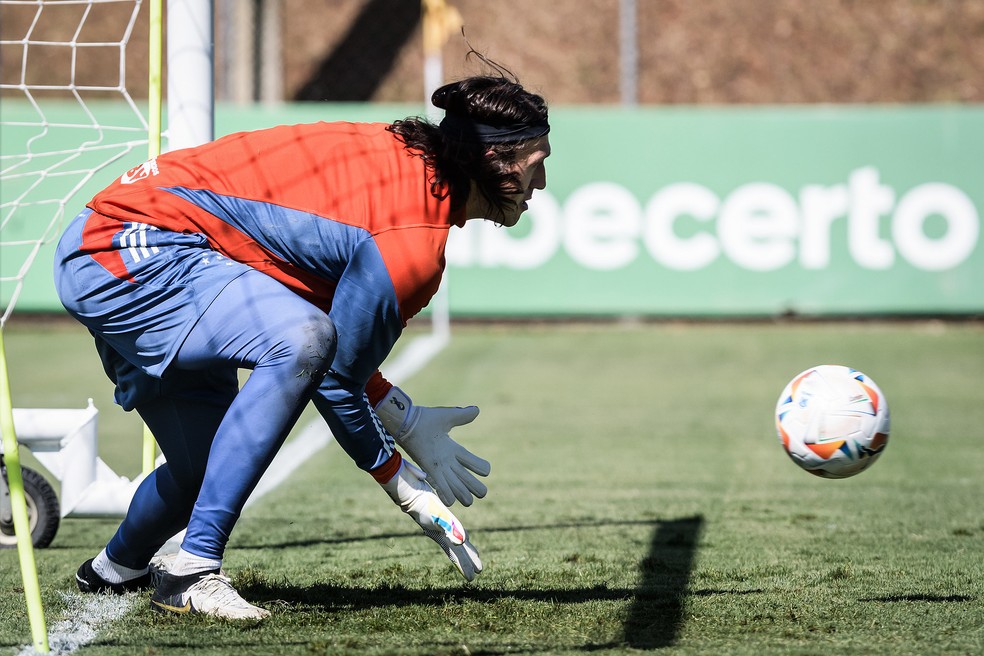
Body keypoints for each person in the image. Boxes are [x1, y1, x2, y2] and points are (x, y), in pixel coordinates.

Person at [54, 58, 550, 620]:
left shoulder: (404, 152)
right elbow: (333, 373)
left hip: (148, 246)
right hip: (133, 249)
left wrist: (405, 418)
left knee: (208, 464)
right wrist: (402, 484)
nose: (541, 184)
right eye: (536, 165)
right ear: (494, 159)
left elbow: (335, 334)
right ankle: (194, 567)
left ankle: (114, 568)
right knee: (300, 340)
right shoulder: (412, 242)